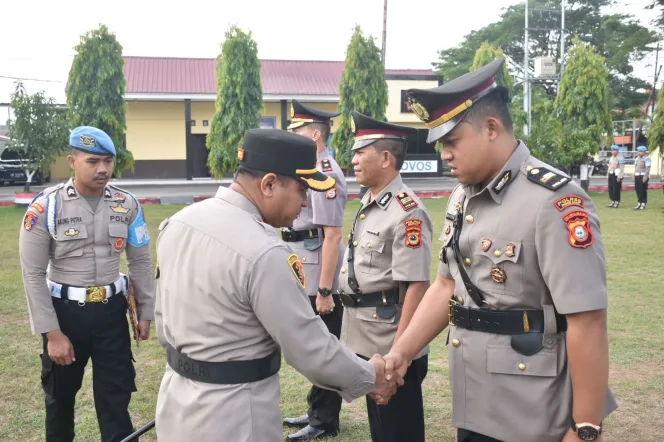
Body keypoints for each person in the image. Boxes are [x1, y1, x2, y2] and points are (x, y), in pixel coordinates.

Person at [381, 58, 617, 442]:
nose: (444, 154)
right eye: (441, 144)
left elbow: (587, 320)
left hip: (532, 409)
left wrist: (586, 427)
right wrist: (402, 352)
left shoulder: (552, 200)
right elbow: (446, 286)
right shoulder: (462, 197)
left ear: (491, 128)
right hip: (475, 398)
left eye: (452, 141)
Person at [153, 128, 401, 442]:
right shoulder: (264, 251)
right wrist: (372, 376)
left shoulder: (178, 223)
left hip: (176, 401)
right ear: (269, 184)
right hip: (235, 416)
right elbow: (310, 349)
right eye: (301, 189)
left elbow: (164, 322)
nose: (305, 202)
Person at [18, 126, 155, 442]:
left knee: (116, 397)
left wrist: (146, 310)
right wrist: (52, 334)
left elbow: (140, 261)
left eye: (108, 161)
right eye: (93, 161)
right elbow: (33, 274)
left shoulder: (127, 204)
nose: (103, 169)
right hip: (66, 317)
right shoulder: (45, 208)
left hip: (111, 314)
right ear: (72, 161)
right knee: (60, 399)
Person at [338, 111, 433, 442]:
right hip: (366, 336)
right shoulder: (372, 202)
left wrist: (400, 353)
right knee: (381, 428)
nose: (353, 160)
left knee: (399, 431)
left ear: (386, 157)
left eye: (360, 152)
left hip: (391, 340)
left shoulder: (407, 212)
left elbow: (417, 286)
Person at [282, 100, 347, 440]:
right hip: (303, 268)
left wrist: (325, 290)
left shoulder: (326, 173)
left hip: (319, 274)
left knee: (324, 348)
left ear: (316, 134)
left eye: (298, 131)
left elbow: (332, 235)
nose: (293, 136)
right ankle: (315, 411)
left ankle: (324, 421)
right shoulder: (310, 169)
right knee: (313, 346)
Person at [633, 145, 651, 210]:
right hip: (637, 175)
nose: (639, 152)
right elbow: (635, 168)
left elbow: (647, 169)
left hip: (643, 176)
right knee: (638, 190)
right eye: (638, 151)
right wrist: (634, 175)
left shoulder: (647, 158)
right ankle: (639, 203)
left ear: (644, 152)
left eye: (640, 151)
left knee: (642, 190)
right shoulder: (637, 158)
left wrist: (645, 178)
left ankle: (643, 203)